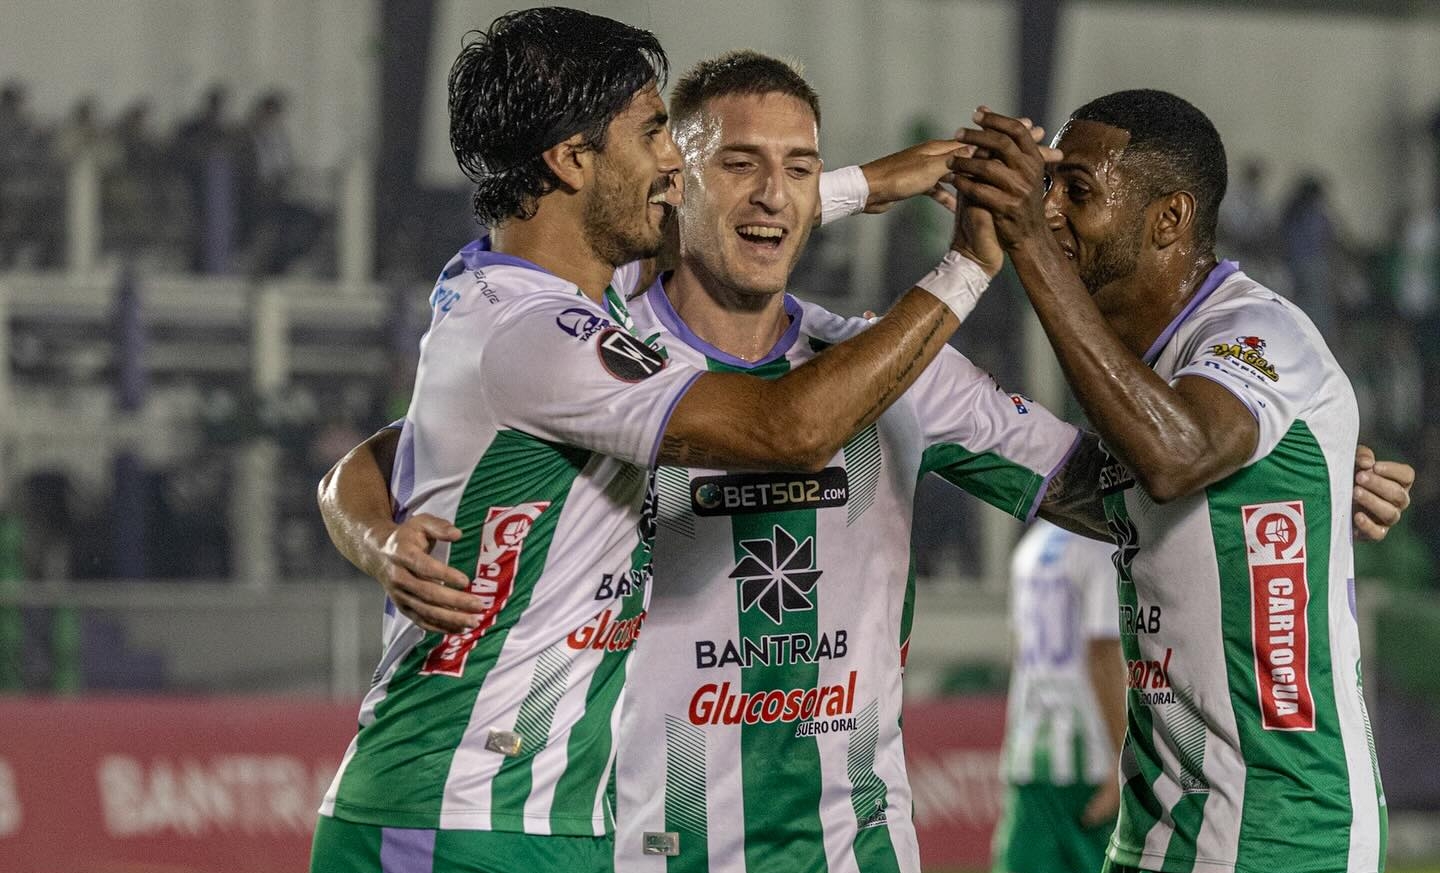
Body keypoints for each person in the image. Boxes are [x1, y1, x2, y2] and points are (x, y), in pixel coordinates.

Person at [317, 53, 1414, 873]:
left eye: (799, 169)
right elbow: (394, 453)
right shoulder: (603, 353)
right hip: (634, 844)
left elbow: (1122, 482)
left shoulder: (895, 369)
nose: (771, 193)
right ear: (670, 183)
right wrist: (372, 532)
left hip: (853, 853)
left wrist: (1295, 463)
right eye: (735, 164)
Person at [310, 10, 1009, 873]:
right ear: (571, 159)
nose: (674, 159)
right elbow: (789, 430)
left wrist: (870, 183)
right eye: (651, 135)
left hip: (546, 822)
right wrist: (966, 269)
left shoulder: (524, 294)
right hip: (452, 817)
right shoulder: (543, 339)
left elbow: (373, 458)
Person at [955, 90, 1411, 873]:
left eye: (1079, 191)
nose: (1052, 209)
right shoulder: (1143, 376)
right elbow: (1105, 479)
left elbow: (1176, 454)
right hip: (1162, 821)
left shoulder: (1257, 331)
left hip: (1279, 832)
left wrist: (1029, 246)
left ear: (1169, 219)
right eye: (1048, 185)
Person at [992, 520, 1125, 873]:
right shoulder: (1101, 547)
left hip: (1030, 754)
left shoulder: (1030, 547)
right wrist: (1123, 762)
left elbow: (1018, 651)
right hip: (1088, 759)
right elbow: (1102, 652)